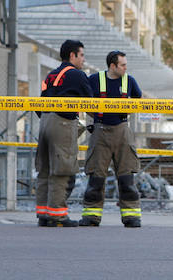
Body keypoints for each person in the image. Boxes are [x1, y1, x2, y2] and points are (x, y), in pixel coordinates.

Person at [79, 50, 143, 228]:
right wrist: (94, 118)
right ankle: (91, 216)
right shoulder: (94, 80)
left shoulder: (129, 81)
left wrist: (127, 111)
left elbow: (139, 100)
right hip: (100, 131)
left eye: (125, 64)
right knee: (96, 178)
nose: (125, 68)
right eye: (122, 65)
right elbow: (84, 101)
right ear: (112, 66)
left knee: (126, 178)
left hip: (122, 130)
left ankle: (131, 216)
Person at [35, 39, 92, 227]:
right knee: (61, 170)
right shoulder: (77, 75)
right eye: (81, 55)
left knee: (45, 170)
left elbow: (40, 102)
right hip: (63, 123)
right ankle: (58, 215)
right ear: (72, 55)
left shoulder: (51, 75)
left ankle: (43, 214)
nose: (83, 59)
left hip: (44, 122)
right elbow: (91, 103)